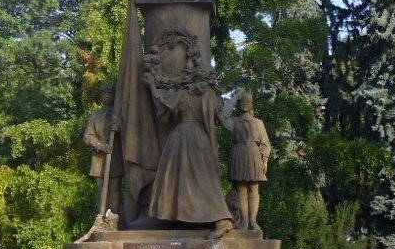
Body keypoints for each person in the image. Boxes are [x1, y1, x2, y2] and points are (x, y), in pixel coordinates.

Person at [142, 34, 233, 238]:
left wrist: (151, 86)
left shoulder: (186, 94)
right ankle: (201, 218)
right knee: (198, 180)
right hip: (200, 139)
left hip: (184, 136)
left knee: (190, 180)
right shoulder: (211, 96)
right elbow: (222, 116)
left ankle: (221, 219)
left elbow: (164, 104)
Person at [219, 90, 271, 231]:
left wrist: (264, 159)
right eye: (241, 101)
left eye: (247, 101)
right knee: (241, 188)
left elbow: (265, 143)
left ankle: (253, 221)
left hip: (254, 155)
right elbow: (221, 115)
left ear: (252, 104)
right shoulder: (234, 122)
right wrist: (234, 97)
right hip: (239, 153)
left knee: (254, 188)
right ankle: (243, 221)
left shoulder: (258, 123)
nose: (244, 103)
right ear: (238, 104)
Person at [84, 84, 123, 219]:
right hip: (99, 159)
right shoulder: (95, 116)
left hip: (115, 155)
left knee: (115, 189)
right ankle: (102, 217)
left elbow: (128, 134)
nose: (107, 96)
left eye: (110, 94)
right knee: (102, 190)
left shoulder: (118, 115)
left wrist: (118, 128)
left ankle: (115, 217)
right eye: (104, 94)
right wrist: (100, 145)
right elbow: (88, 136)